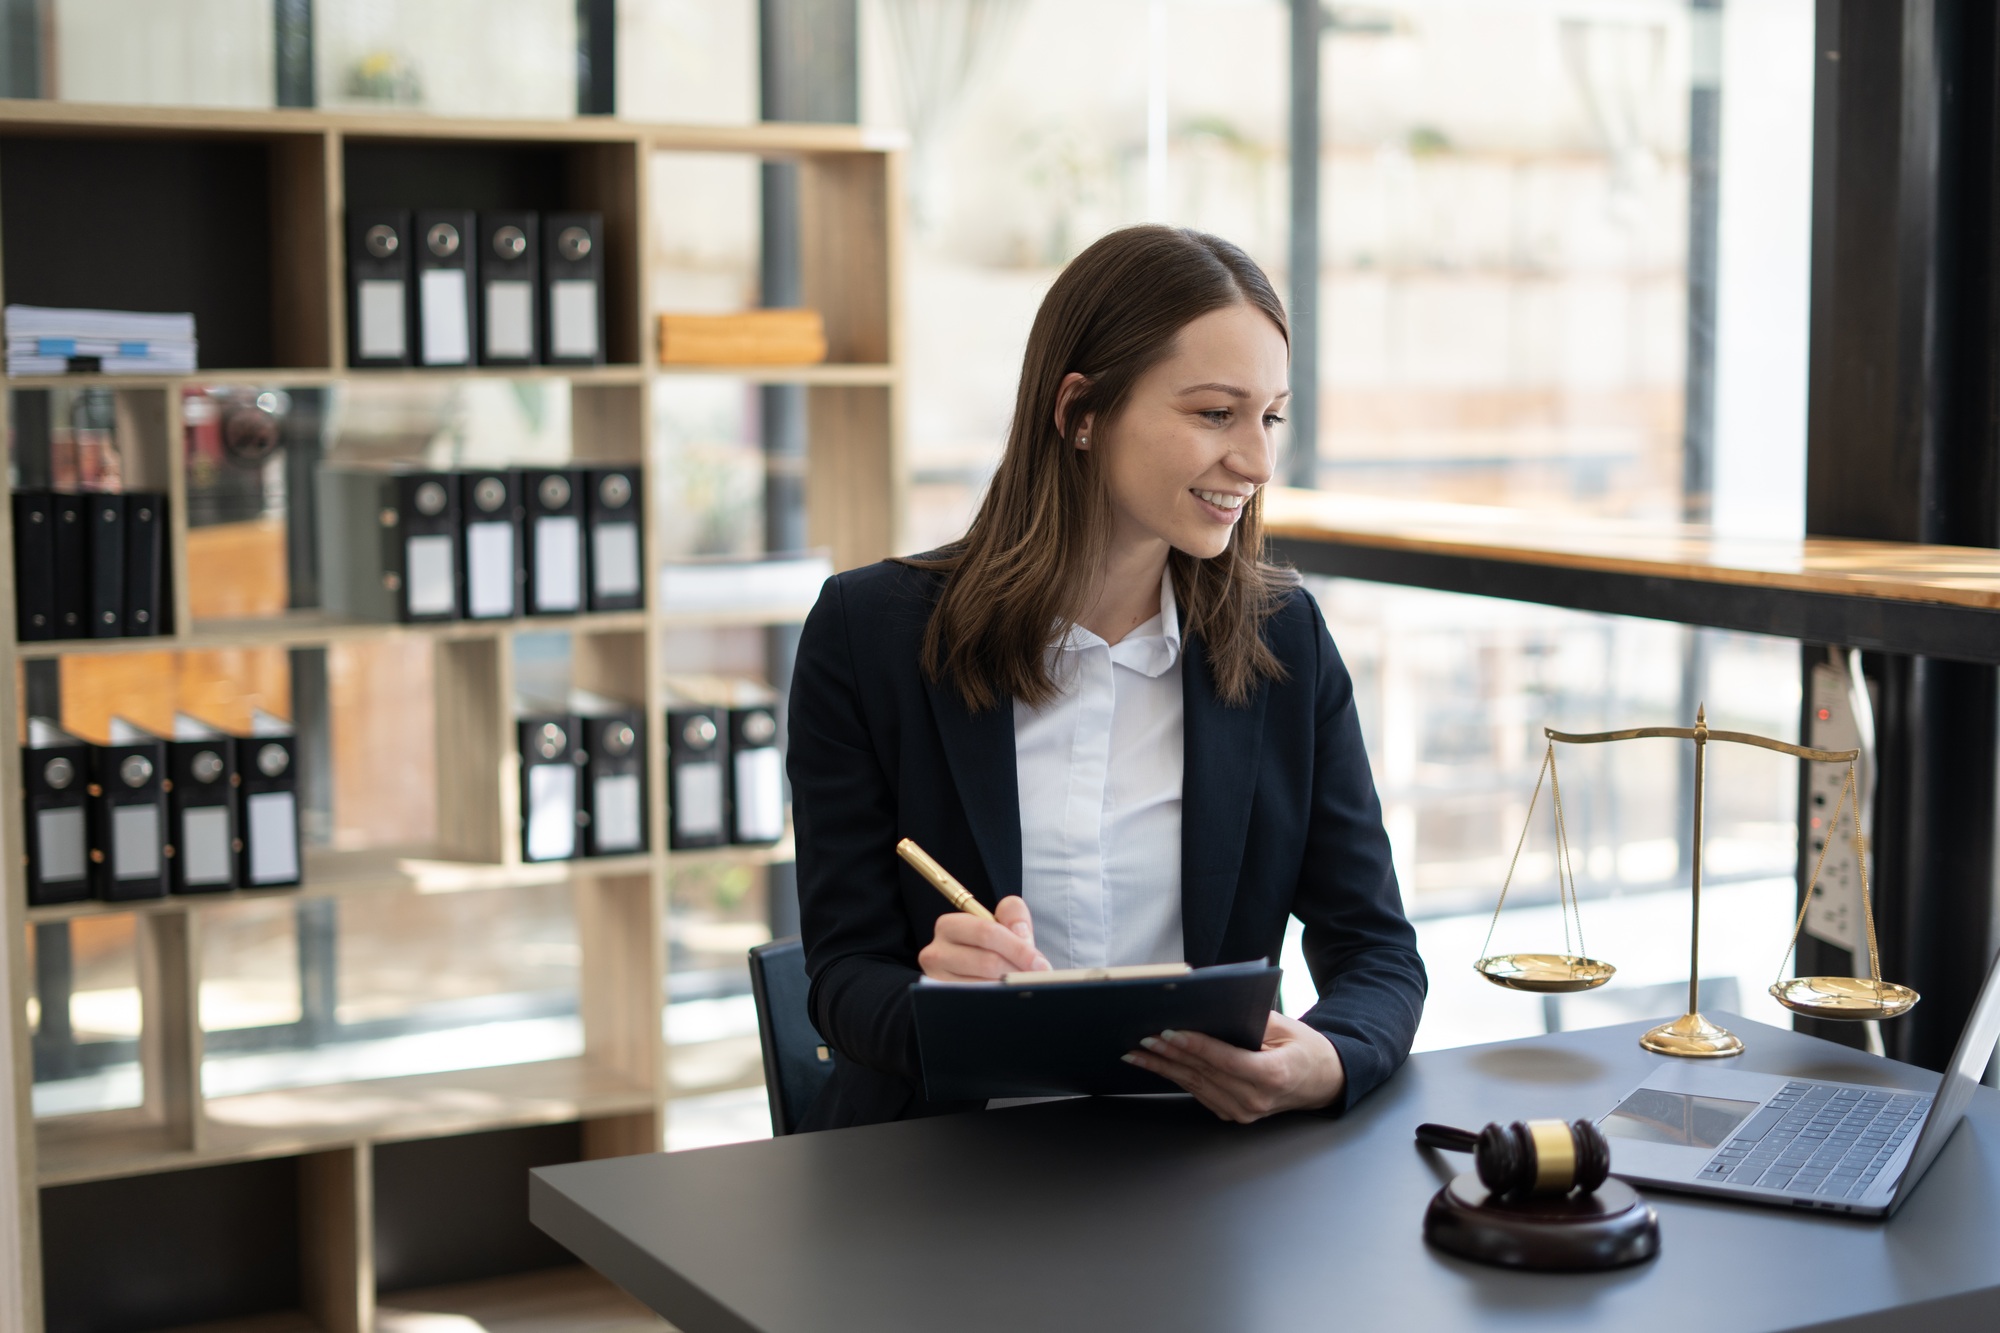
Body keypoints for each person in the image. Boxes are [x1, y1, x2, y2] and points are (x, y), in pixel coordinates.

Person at [787, 224, 1427, 1130]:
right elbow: (843, 976)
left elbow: (1378, 953)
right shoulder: (868, 637)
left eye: (1270, 416)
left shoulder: (1284, 640)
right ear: (1081, 411)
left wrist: (1327, 1058)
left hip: (1203, 1169)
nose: (1256, 460)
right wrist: (940, 1006)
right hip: (944, 1172)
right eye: (1215, 413)